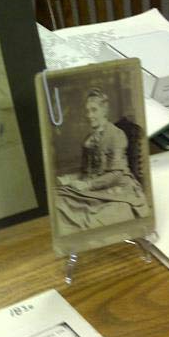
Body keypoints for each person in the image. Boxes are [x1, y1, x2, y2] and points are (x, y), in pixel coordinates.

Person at [54, 87, 149, 232]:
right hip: (92, 189)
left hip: (119, 190)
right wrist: (67, 179)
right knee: (58, 199)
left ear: (104, 110)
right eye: (87, 111)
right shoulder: (88, 139)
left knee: (92, 221)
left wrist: (87, 185)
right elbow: (85, 172)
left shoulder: (116, 135)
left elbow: (116, 175)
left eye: (94, 110)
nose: (89, 115)